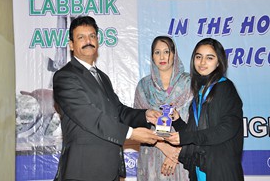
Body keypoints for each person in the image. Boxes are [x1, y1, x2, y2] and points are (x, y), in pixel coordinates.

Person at [53, 16, 164, 181]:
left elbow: (117, 111)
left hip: (110, 170)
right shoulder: (65, 76)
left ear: (97, 41)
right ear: (71, 45)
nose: (88, 41)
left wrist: (145, 115)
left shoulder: (102, 77)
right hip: (83, 172)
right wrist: (131, 133)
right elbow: (90, 116)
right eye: (80, 37)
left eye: (92, 36)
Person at [165, 38, 244, 181]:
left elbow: (227, 129)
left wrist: (187, 137)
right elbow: (193, 132)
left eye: (209, 58)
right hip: (200, 166)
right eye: (198, 57)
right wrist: (177, 121)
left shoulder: (225, 88)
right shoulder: (200, 91)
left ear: (219, 62)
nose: (202, 62)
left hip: (220, 169)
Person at [134, 36, 192, 180]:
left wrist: (175, 154)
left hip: (182, 153)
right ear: (152, 56)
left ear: (174, 54)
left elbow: (196, 124)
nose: (162, 56)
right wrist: (163, 146)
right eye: (157, 52)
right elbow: (138, 122)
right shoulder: (144, 86)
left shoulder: (190, 83)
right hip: (152, 151)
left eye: (166, 51)